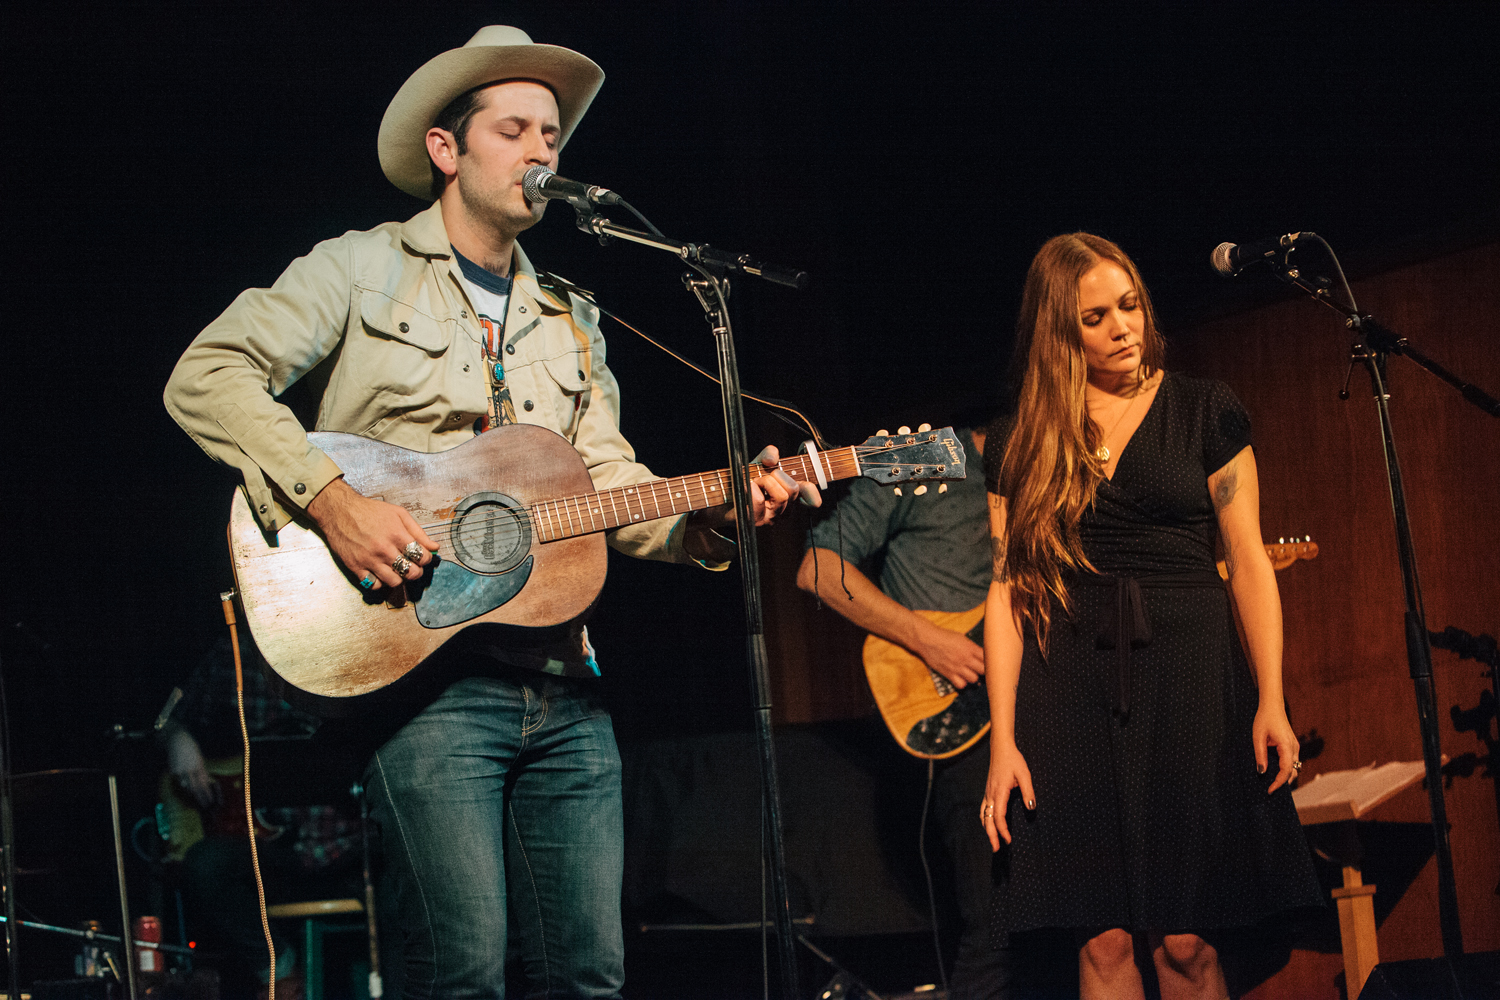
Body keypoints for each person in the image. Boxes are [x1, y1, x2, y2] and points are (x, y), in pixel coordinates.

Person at [164, 26, 806, 998]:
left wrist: (711, 518)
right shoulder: (358, 269)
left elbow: (607, 487)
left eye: (552, 134)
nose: (543, 152)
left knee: (587, 972)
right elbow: (206, 376)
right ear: (446, 148)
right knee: (460, 971)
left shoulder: (573, 317)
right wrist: (334, 502)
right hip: (423, 685)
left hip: (565, 684)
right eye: (515, 129)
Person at [978, 233, 1323, 1000]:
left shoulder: (1205, 410)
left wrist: (1270, 697)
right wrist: (1002, 741)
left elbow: (1250, 564)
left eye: (1129, 306)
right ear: (1059, 332)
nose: (1123, 327)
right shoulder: (1019, 442)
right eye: (1096, 318)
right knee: (1100, 943)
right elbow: (1006, 592)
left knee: (1185, 939)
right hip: (1065, 684)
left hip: (1190, 673)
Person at [796, 422, 1012, 999]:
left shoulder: (1047, 473)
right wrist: (930, 641)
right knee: (992, 928)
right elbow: (819, 566)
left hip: (1034, 714)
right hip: (959, 716)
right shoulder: (926, 457)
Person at [160, 635, 358, 1000]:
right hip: (270, 845)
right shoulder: (233, 651)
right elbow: (167, 720)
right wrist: (178, 739)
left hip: (348, 846)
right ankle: (280, 971)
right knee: (204, 864)